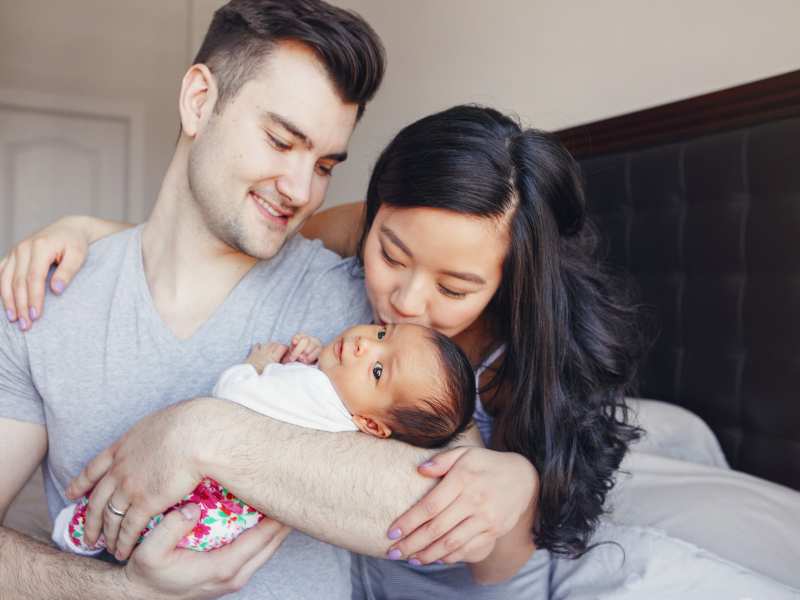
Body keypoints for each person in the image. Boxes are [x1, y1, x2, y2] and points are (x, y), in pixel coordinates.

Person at [6, 106, 798, 599]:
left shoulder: (528, 363)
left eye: (456, 287)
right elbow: (225, 242)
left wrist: (519, 480)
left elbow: (491, 567)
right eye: (390, 252)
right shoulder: (361, 236)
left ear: (515, 278)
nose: (405, 302)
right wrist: (90, 234)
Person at [0, 0, 387, 598]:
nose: (301, 190)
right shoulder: (44, 298)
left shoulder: (353, 310)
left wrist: (206, 433)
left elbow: (442, 501)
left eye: (325, 164)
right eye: (282, 141)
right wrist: (126, 592)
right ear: (199, 101)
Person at [54, 324, 476, 556]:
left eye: (379, 371)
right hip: (228, 523)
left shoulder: (316, 396)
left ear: (373, 426)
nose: (366, 344)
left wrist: (252, 366)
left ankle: (78, 533)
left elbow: (235, 401)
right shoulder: (347, 420)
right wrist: (317, 355)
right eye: (384, 333)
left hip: (208, 497)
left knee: (133, 505)